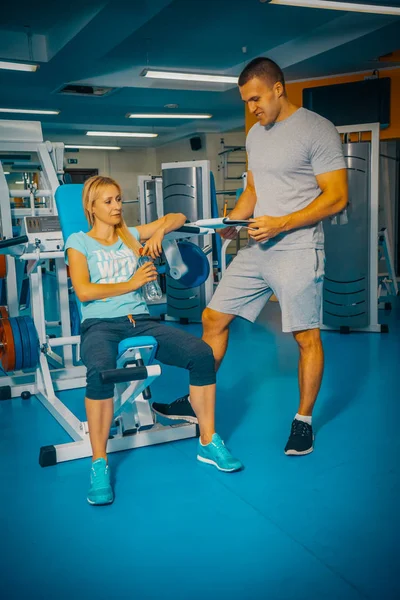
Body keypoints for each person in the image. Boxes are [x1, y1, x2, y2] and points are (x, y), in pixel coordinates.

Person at [152, 57, 348, 456]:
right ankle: (195, 402)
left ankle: (304, 421)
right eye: (246, 102)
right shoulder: (257, 134)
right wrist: (233, 219)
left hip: (297, 248)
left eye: (256, 98)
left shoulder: (317, 129)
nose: (252, 108)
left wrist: (283, 222)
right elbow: (254, 191)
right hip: (258, 246)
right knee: (212, 317)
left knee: (305, 337)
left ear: (278, 88)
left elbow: (337, 196)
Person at [65, 175, 243, 506]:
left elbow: (178, 218)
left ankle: (208, 440)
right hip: (100, 325)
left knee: (202, 354)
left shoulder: (130, 236)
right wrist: (132, 283)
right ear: (91, 207)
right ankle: (99, 462)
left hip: (141, 321)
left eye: (119, 199)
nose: (117, 206)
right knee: (99, 372)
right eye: (108, 201)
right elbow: (85, 290)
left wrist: (160, 231)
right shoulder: (79, 242)